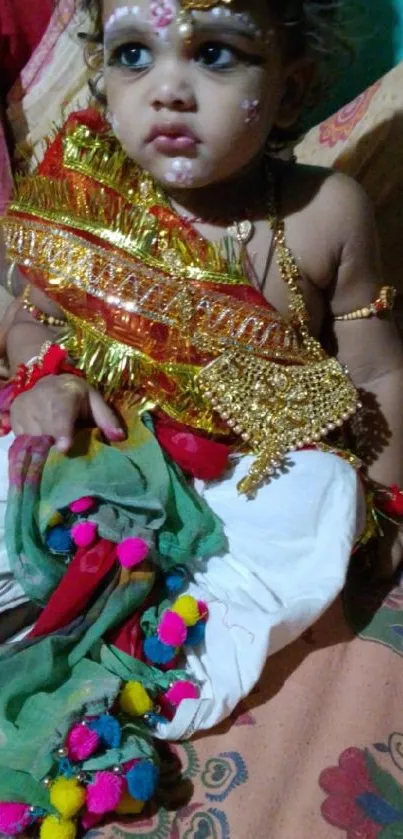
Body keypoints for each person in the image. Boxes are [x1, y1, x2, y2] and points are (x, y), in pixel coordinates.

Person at [0, 0, 402, 835]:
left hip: (245, 481)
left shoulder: (326, 211)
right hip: (103, 458)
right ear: (100, 76)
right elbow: (20, 318)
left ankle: (146, 668)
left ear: (288, 91)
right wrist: (52, 377)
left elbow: (381, 370)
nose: (168, 90)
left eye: (215, 55)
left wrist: (386, 504)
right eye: (133, 55)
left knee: (324, 490)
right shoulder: (80, 192)